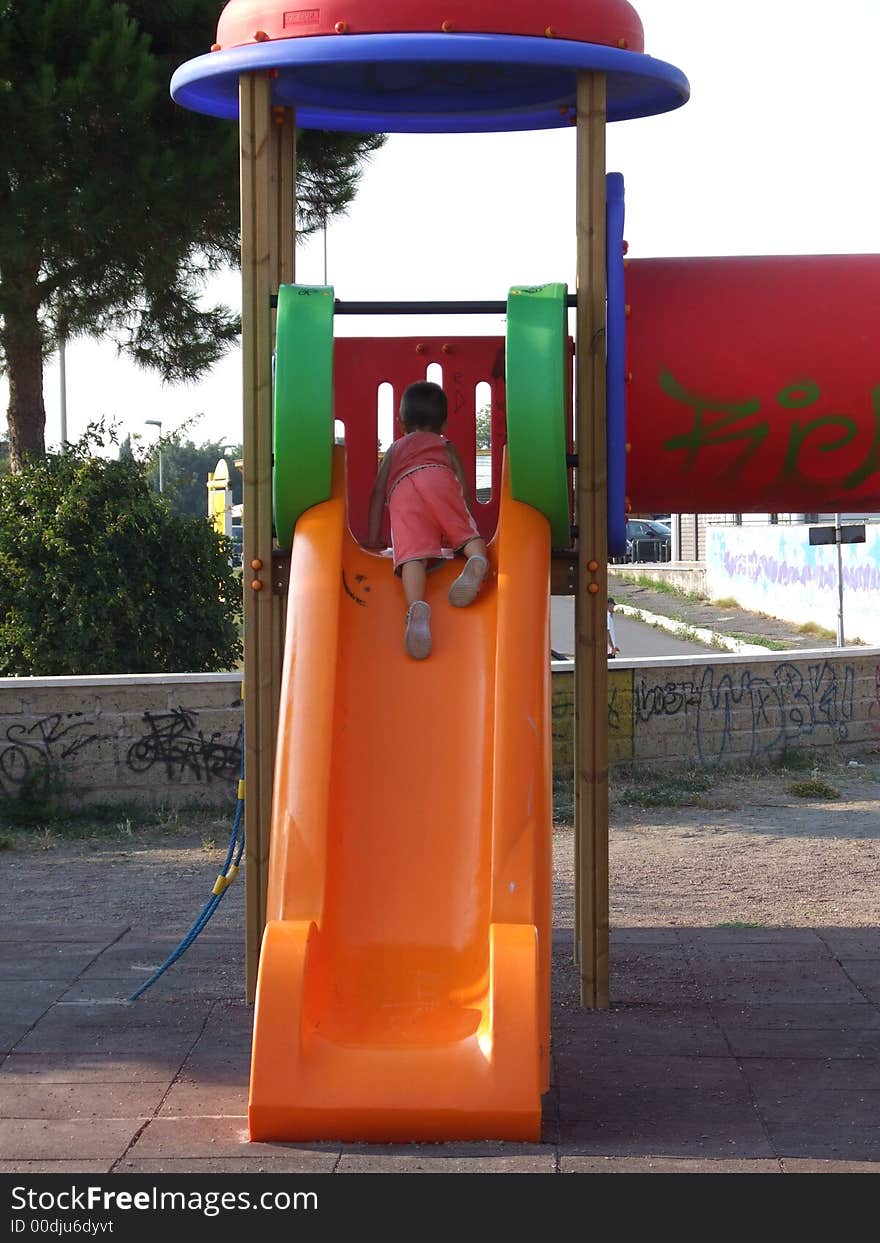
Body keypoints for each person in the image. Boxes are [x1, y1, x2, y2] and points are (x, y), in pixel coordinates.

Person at [366, 380, 489, 660]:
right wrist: (462, 518)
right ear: (444, 424)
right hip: (439, 477)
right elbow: (464, 487)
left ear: (401, 422)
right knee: (466, 536)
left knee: (412, 556)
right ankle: (477, 559)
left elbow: (376, 494)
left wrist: (374, 538)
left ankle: (416, 607)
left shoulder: (395, 449)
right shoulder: (444, 444)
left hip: (403, 490)